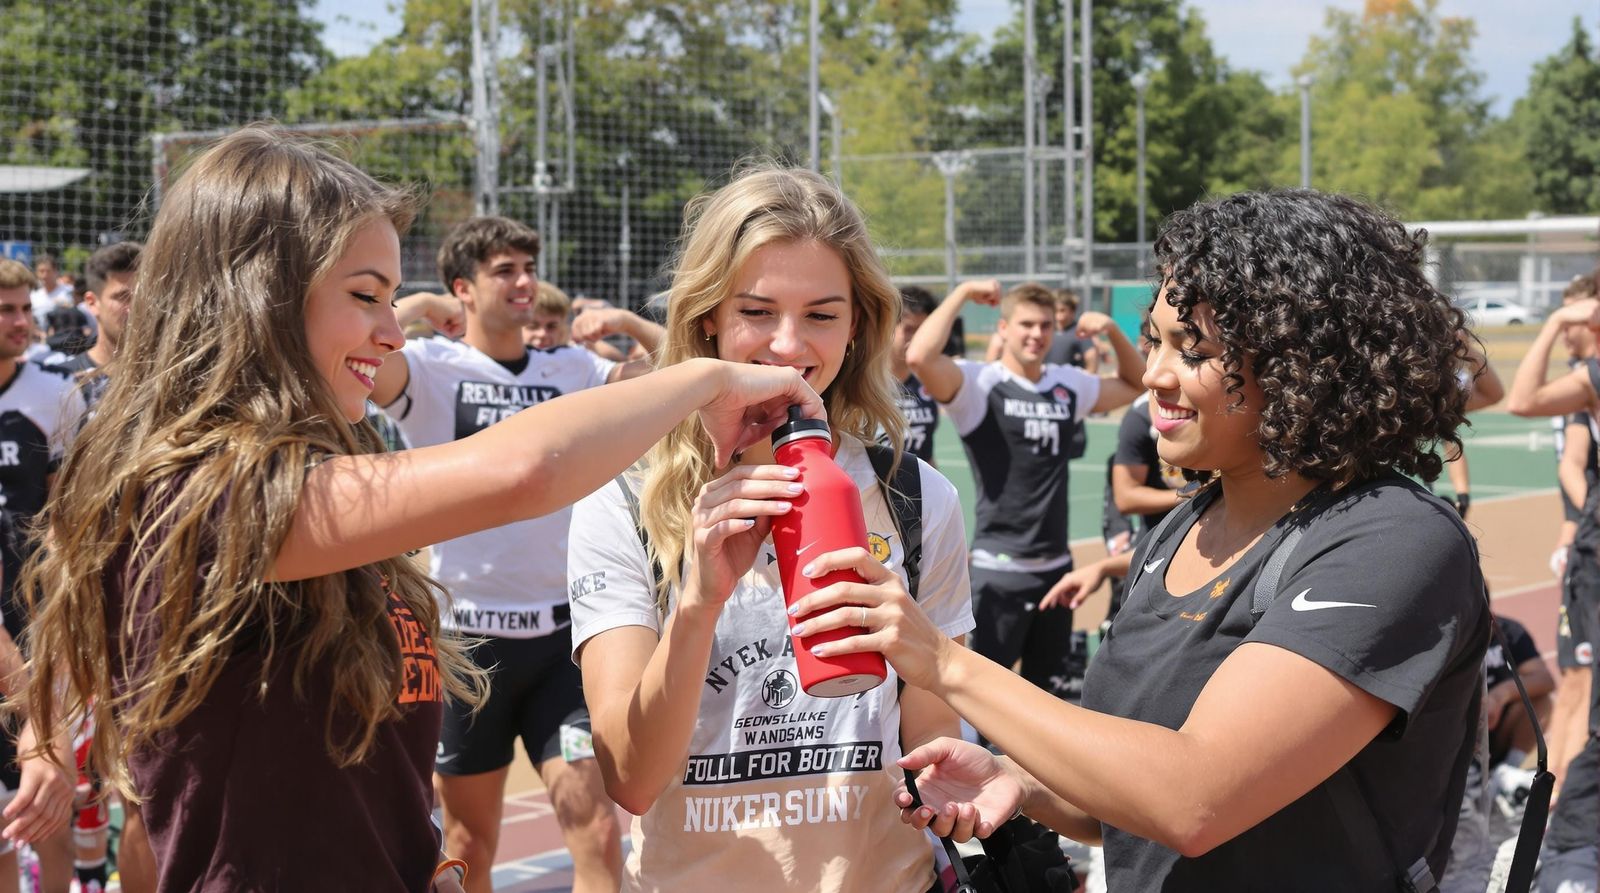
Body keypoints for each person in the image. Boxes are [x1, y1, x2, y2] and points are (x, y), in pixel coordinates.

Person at [16, 127, 825, 893]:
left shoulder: (330, 464)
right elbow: (524, 469)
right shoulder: (196, 493)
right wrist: (708, 380)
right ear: (257, 298)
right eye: (366, 295)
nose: (391, 332)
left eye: (393, 297)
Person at [792, 190, 1490, 890]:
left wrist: (942, 661)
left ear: (1304, 364)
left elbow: (1195, 797)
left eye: (1197, 351)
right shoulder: (1180, 528)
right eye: (1156, 339)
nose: (1154, 375)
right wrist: (1018, 779)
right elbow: (1127, 788)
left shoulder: (1391, 540)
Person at [565, 165, 974, 893]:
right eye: (756, 311)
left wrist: (953, 787)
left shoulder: (915, 496)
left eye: (822, 314)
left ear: (857, 329)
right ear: (708, 319)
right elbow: (629, 778)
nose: (788, 346)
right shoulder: (625, 503)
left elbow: (933, 734)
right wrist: (696, 606)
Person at [368, 215, 658, 893]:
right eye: (505, 270)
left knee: (595, 828)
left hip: (563, 642)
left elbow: (676, 372)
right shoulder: (433, 369)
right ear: (463, 287)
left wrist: (630, 323)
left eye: (529, 266)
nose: (526, 281)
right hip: (469, 648)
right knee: (469, 843)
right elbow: (352, 357)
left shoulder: (572, 367)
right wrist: (417, 306)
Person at [907, 280, 1142, 704]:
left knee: (1047, 700)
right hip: (999, 570)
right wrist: (959, 294)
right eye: (1026, 324)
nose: (1037, 334)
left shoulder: (1068, 384)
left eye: (1046, 325)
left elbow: (1136, 382)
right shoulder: (980, 384)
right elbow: (920, 357)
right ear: (1003, 328)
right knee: (983, 701)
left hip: (1057, 570)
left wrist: (1110, 330)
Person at [1505, 293, 1600, 893]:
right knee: (1581, 695)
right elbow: (1521, 402)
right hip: (1593, 553)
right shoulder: (1589, 377)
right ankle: (1557, 830)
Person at [984, 288, 1099, 371]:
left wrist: (1086, 380)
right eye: (1027, 324)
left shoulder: (1078, 333)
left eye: (1063, 310)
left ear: (1072, 312)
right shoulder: (1045, 332)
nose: (1037, 334)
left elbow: (1091, 356)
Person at [891, 285, 940, 464]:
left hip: (919, 490)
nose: (917, 339)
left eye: (923, 331)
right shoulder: (865, 385)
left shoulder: (928, 383)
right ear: (889, 327)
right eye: (910, 329)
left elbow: (927, 454)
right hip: (875, 490)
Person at [27, 255, 72, 332]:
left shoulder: (69, 292)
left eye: (48, 271)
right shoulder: (33, 296)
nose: (45, 275)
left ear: (56, 271)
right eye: (41, 271)